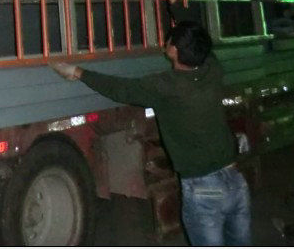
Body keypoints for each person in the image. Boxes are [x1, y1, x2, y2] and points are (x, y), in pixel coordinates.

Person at [50, 21, 252, 246]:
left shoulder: (167, 86)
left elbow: (120, 89)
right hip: (235, 181)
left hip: (204, 188)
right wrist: (177, 12)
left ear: (173, 50)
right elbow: (204, 49)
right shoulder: (213, 70)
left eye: (169, 41)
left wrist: (77, 72)